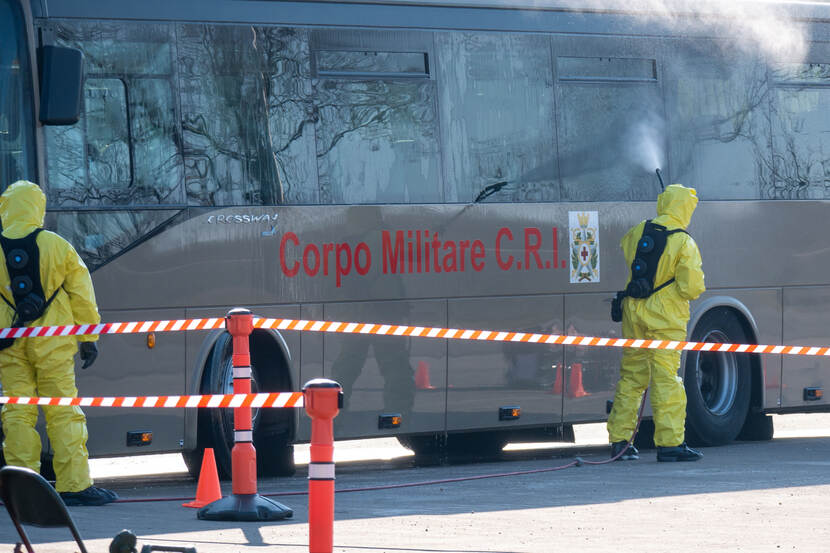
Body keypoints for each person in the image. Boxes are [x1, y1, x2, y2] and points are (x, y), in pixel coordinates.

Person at [0, 180, 117, 505]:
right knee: (62, 411)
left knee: (18, 412)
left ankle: (22, 488)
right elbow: (81, 292)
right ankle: (74, 485)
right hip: (53, 341)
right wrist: (88, 336)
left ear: (5, 208)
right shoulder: (56, 244)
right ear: (38, 208)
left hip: (9, 342)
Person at [606, 184, 706, 462]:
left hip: (633, 312)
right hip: (665, 318)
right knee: (667, 381)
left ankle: (620, 441)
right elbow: (691, 288)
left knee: (632, 377)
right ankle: (670, 444)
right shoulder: (684, 241)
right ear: (685, 208)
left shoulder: (639, 231)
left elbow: (627, 250)